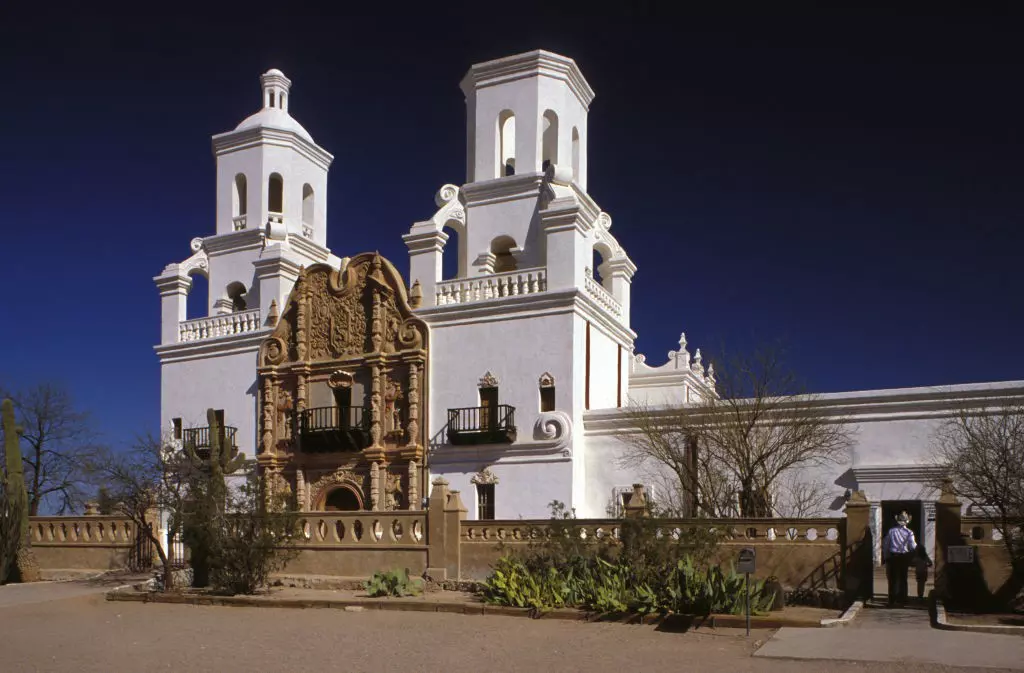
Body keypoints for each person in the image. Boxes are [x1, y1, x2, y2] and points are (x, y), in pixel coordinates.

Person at [882, 511, 917, 606]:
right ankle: (903, 600)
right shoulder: (909, 532)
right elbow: (913, 546)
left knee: (893, 579)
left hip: (893, 556)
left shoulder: (891, 531)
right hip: (904, 557)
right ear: (907, 521)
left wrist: (886, 556)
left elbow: (886, 545)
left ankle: (892, 600)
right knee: (903, 578)